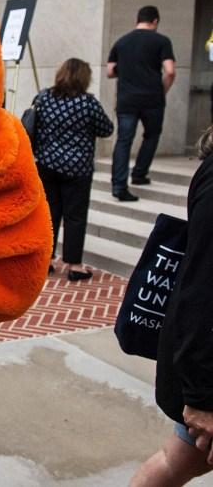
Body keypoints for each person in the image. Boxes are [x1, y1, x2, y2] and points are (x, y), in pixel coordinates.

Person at [130, 124, 213, 486]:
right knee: (176, 458)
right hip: (206, 373)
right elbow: (202, 290)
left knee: (176, 458)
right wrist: (201, 395)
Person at [32, 58, 114, 281]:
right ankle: (74, 265)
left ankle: (45, 261)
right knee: (75, 216)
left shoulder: (44, 97)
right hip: (77, 168)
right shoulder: (87, 103)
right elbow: (107, 129)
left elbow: (33, 124)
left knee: (48, 214)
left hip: (46, 164)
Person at [107, 5, 176, 201]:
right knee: (152, 135)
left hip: (127, 99)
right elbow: (170, 70)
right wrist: (162, 91)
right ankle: (139, 174)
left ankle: (119, 185)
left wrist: (127, 70)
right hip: (152, 98)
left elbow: (110, 71)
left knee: (123, 141)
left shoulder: (121, 42)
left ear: (137, 20)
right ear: (155, 21)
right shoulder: (161, 41)